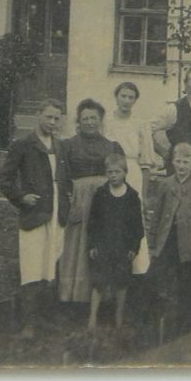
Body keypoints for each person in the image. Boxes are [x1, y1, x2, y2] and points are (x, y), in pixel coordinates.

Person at [0, 99, 66, 339]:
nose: (52, 122)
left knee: (51, 264)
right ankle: (28, 323)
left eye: (57, 118)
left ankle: (46, 319)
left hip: (56, 213)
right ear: (39, 115)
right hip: (35, 214)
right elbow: (5, 180)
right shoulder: (23, 145)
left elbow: (64, 178)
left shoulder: (60, 146)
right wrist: (21, 197)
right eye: (48, 117)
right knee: (31, 265)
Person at [55, 98, 125, 304]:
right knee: (76, 247)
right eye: (85, 118)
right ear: (78, 121)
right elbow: (62, 177)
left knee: (102, 246)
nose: (89, 122)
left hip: (105, 203)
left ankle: (103, 298)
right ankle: (74, 296)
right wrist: (69, 204)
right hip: (79, 201)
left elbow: (121, 177)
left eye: (93, 118)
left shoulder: (112, 146)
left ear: (101, 120)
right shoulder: (67, 146)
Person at [147, 142, 191, 337]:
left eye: (186, 162)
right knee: (154, 283)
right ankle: (154, 327)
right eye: (178, 161)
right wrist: (152, 244)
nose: (181, 166)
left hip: (188, 246)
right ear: (172, 162)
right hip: (167, 241)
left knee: (186, 287)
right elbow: (157, 216)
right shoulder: (166, 184)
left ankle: (183, 330)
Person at [100, 80, 157, 276]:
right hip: (110, 171)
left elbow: (146, 162)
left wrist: (145, 195)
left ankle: (137, 268)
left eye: (131, 97)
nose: (126, 100)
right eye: (123, 96)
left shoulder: (141, 124)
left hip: (132, 172)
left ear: (135, 100)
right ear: (116, 97)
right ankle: (109, 266)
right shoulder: (106, 121)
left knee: (133, 216)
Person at [86, 152, 144, 333]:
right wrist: (92, 244)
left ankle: (119, 316)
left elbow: (137, 226)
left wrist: (134, 247)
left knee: (121, 282)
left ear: (125, 172)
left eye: (117, 172)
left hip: (122, 247)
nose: (113, 176)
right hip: (103, 245)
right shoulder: (101, 194)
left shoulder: (132, 196)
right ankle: (92, 317)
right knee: (99, 281)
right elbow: (93, 222)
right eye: (109, 172)